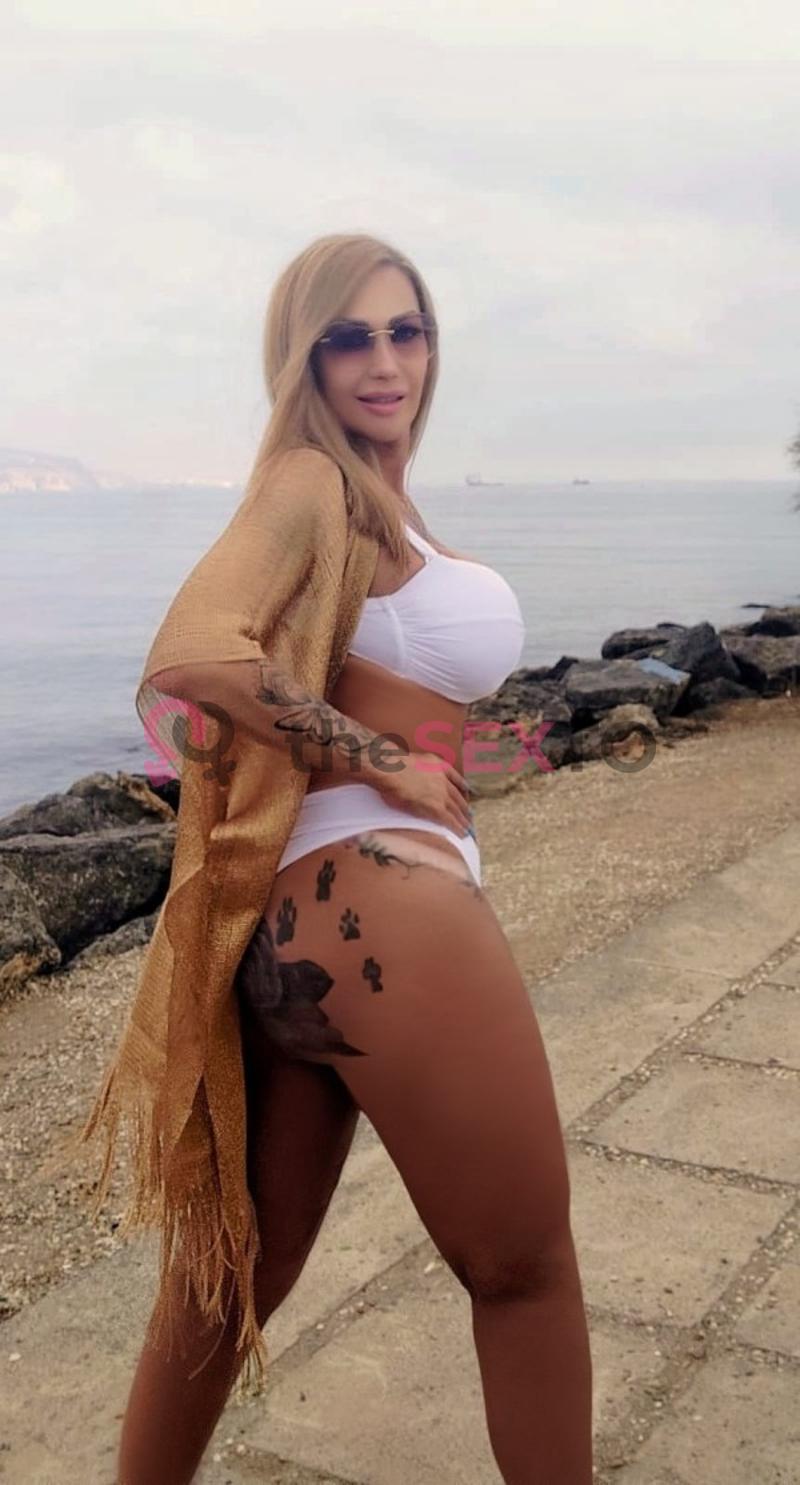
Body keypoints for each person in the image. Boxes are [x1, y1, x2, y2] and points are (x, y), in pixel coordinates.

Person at [95, 233, 593, 1482]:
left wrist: (488, 753)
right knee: (524, 1273)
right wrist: (380, 761)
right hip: (382, 906)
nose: (384, 361)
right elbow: (193, 654)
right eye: (348, 338)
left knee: (230, 1280)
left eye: (404, 331)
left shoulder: (375, 500)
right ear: (301, 358)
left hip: (304, 923)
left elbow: (392, 693)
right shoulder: (310, 481)